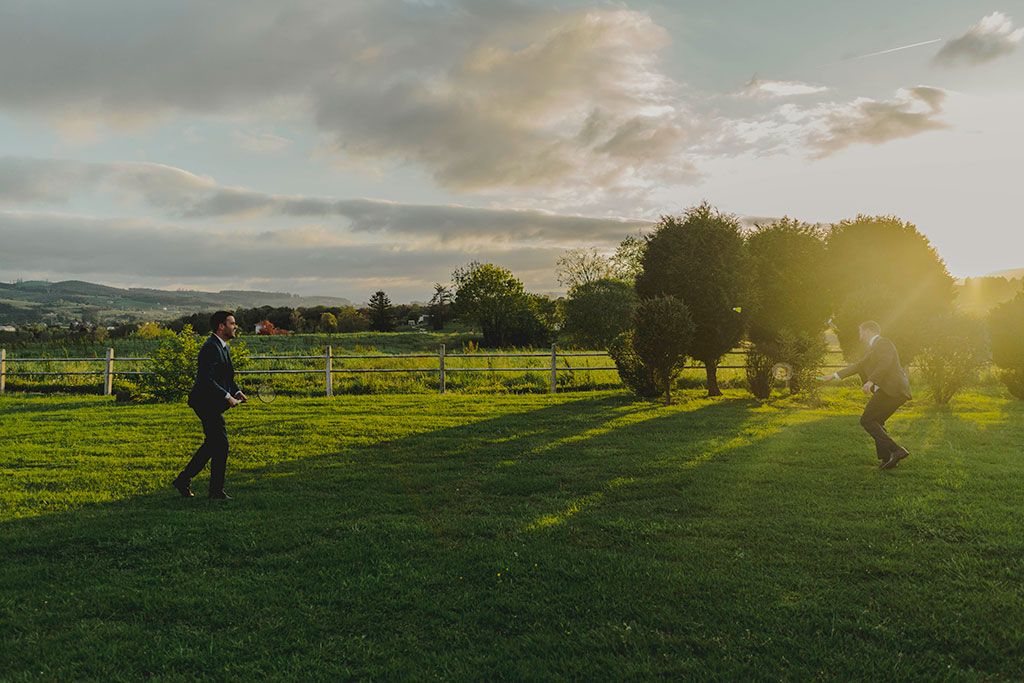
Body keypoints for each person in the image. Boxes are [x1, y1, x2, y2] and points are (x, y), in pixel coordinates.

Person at [172, 311, 247, 499]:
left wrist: (236, 391)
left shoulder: (224, 347)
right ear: (221, 326)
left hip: (212, 402)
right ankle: (215, 491)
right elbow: (206, 379)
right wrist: (227, 396)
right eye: (232, 323)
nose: (235, 326)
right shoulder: (210, 347)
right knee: (221, 444)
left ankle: (184, 479)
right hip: (204, 402)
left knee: (212, 444)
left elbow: (226, 377)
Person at [819, 321, 911, 469]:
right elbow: (858, 366)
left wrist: (871, 381)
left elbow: (884, 363)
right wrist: (833, 375)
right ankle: (887, 459)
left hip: (893, 390)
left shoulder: (883, 343)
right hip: (894, 391)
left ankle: (896, 450)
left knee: (867, 420)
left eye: (861, 332)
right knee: (876, 421)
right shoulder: (874, 348)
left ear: (868, 331)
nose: (860, 335)